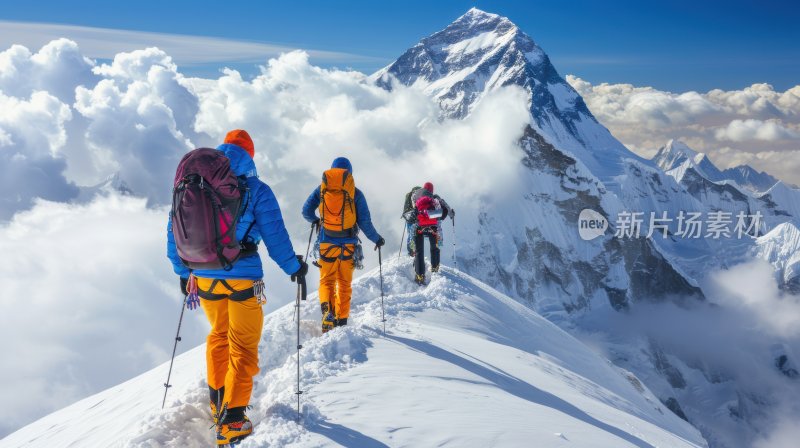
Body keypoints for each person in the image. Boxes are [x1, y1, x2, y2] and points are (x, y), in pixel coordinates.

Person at [166, 129, 307, 446]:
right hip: (242, 278)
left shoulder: (192, 184)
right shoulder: (256, 189)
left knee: (218, 336)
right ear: (250, 156)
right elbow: (276, 240)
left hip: (203, 278)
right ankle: (233, 420)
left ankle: (218, 405)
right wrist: (294, 268)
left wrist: (182, 271)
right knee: (242, 345)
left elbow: (173, 232)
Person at [302, 157, 384, 332]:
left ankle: (327, 313)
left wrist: (317, 221)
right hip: (348, 245)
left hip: (326, 243)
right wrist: (377, 239)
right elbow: (365, 222)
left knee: (327, 281)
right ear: (349, 175)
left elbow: (306, 211)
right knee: (344, 283)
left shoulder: (322, 190)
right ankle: (342, 320)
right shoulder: (356, 193)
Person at [409, 182, 454, 284]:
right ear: (432, 190)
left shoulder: (416, 195)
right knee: (435, 248)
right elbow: (446, 208)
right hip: (433, 226)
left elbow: (414, 209)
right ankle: (435, 269)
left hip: (419, 226)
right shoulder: (435, 197)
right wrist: (448, 215)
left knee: (419, 251)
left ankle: (420, 276)